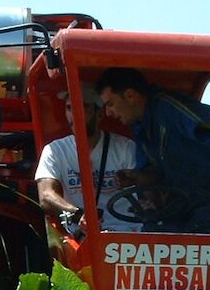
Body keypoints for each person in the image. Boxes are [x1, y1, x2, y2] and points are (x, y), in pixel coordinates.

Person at [96, 67, 210, 234]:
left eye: (110, 104)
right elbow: (154, 174)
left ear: (130, 95)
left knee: (188, 247)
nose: (108, 113)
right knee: (153, 237)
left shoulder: (167, 106)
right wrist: (138, 178)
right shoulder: (140, 126)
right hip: (181, 203)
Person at [34, 90, 140, 235]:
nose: (75, 114)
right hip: (79, 233)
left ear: (100, 114)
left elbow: (147, 193)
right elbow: (46, 196)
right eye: (69, 108)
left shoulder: (125, 148)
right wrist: (78, 215)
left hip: (125, 231)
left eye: (83, 107)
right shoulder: (55, 150)